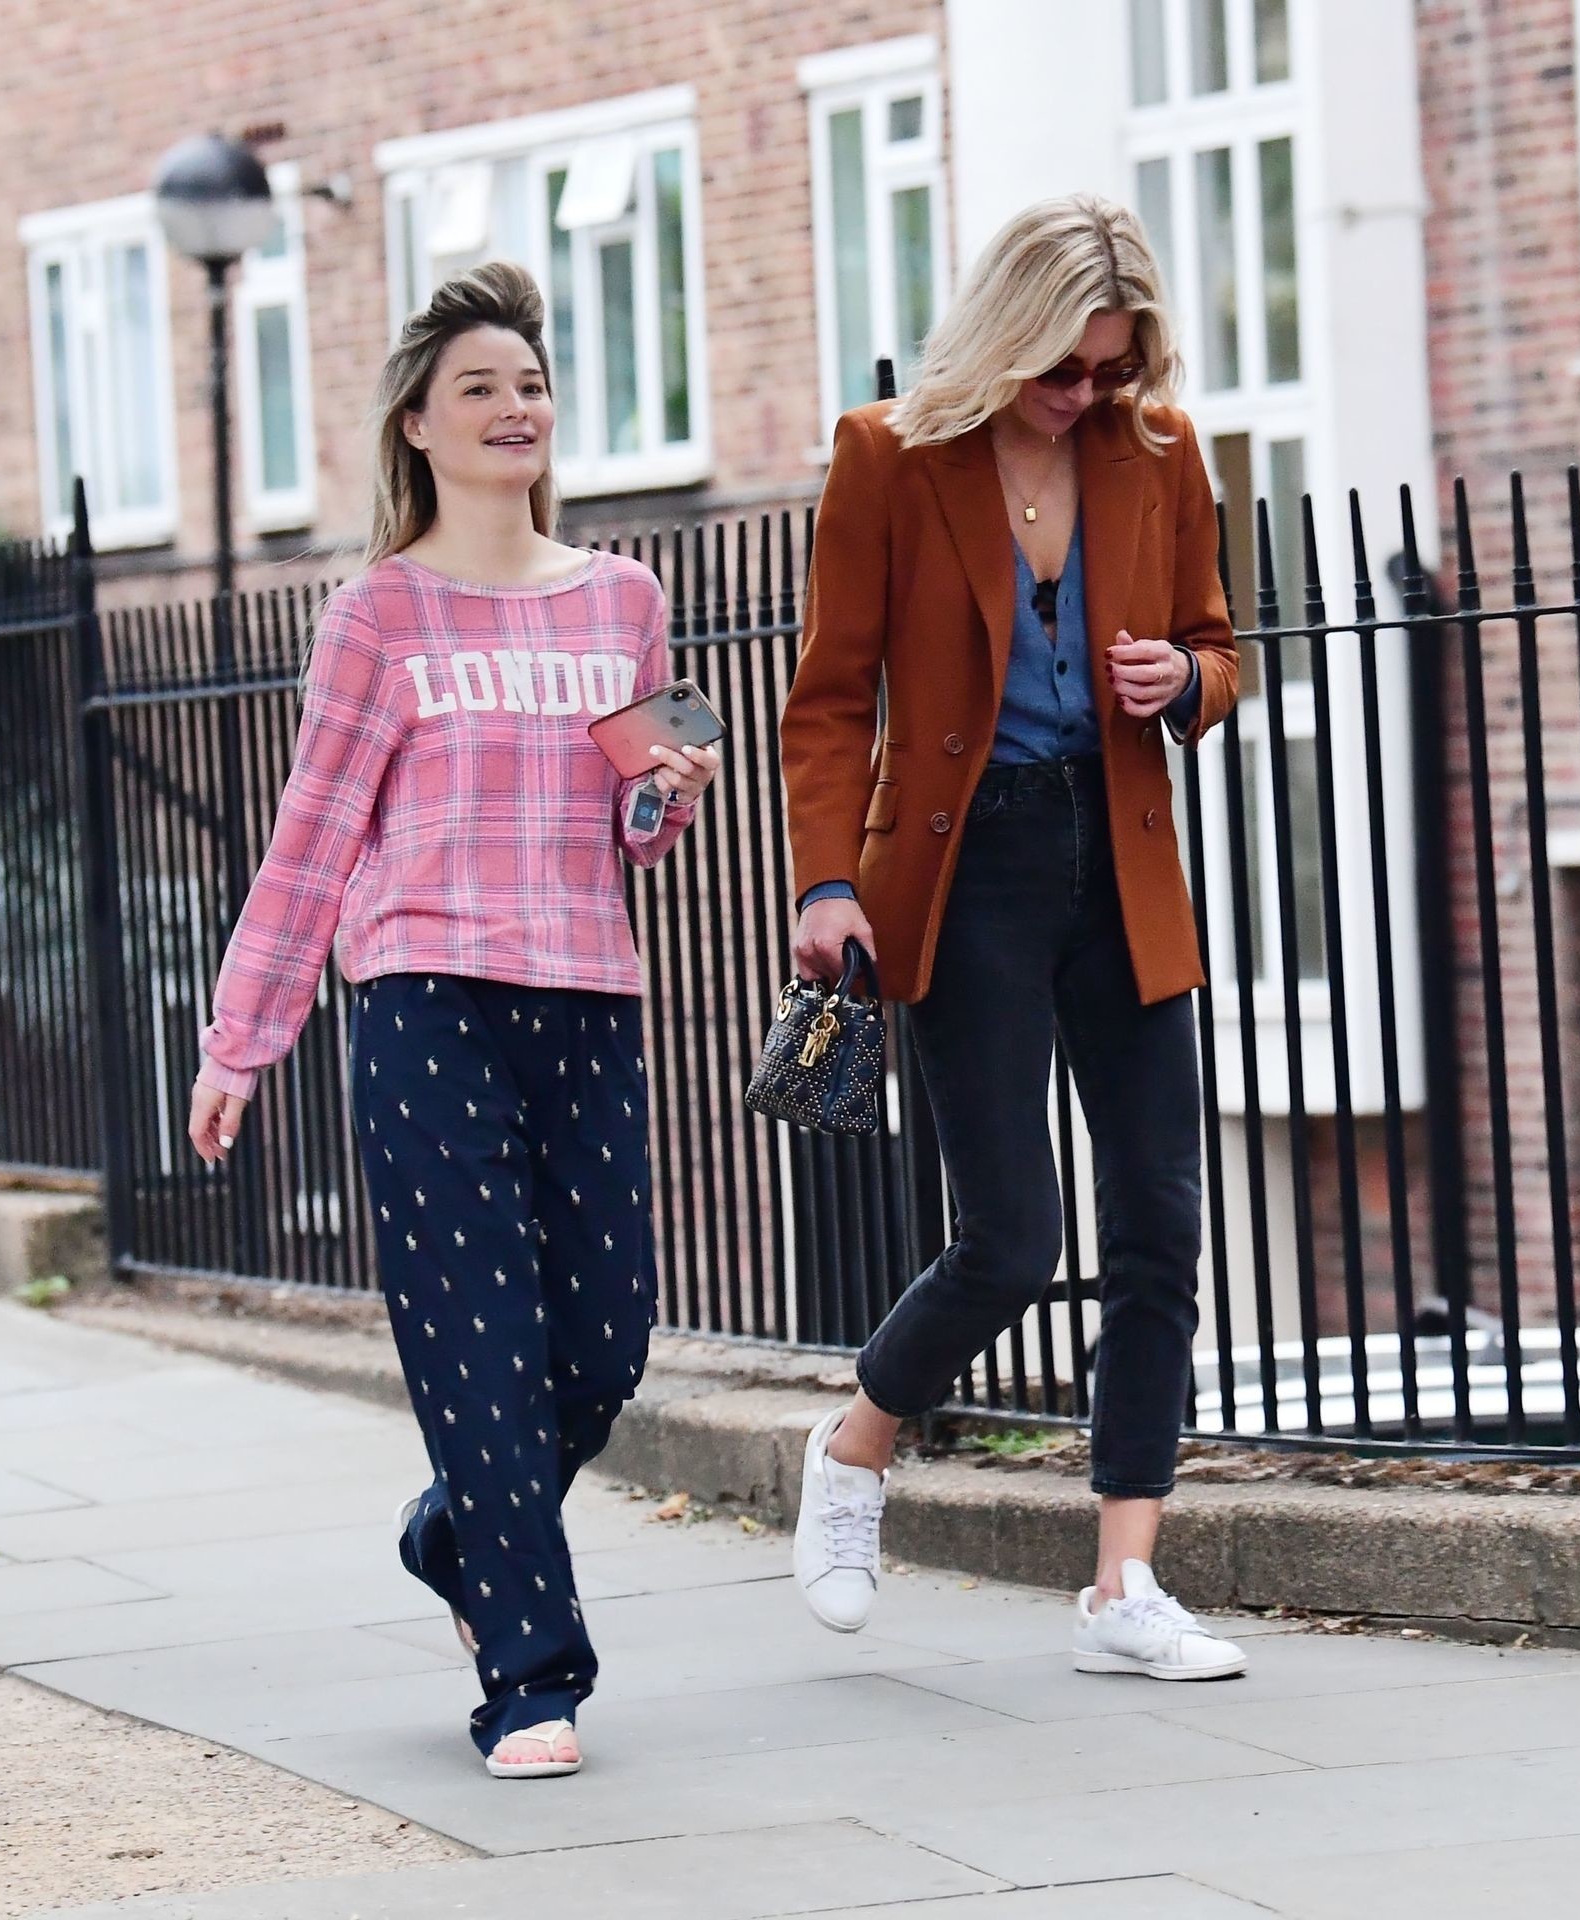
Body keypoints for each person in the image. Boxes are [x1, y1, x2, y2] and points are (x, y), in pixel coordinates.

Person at [185, 262, 720, 1776]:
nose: (513, 408)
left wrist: (666, 795)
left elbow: (633, 829)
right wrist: (242, 1038)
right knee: (479, 1335)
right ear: (417, 425)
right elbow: (313, 836)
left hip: (587, 997)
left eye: (531, 385)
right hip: (424, 1000)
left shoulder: (624, 600)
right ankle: (531, 1676)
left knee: (603, 1339)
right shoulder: (378, 614)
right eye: (478, 388)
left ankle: (459, 1527)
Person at [780, 193, 1246, 1681]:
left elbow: (1221, 644)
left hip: (1121, 862)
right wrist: (824, 882)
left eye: (1112, 367)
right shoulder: (888, 456)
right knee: (1011, 1239)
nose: (1084, 393)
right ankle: (857, 1446)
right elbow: (829, 697)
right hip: (965, 868)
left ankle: (1123, 1585)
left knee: (1160, 1221)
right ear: (1005, 334)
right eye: (1062, 367)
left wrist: (1185, 680)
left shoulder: (1157, 452)